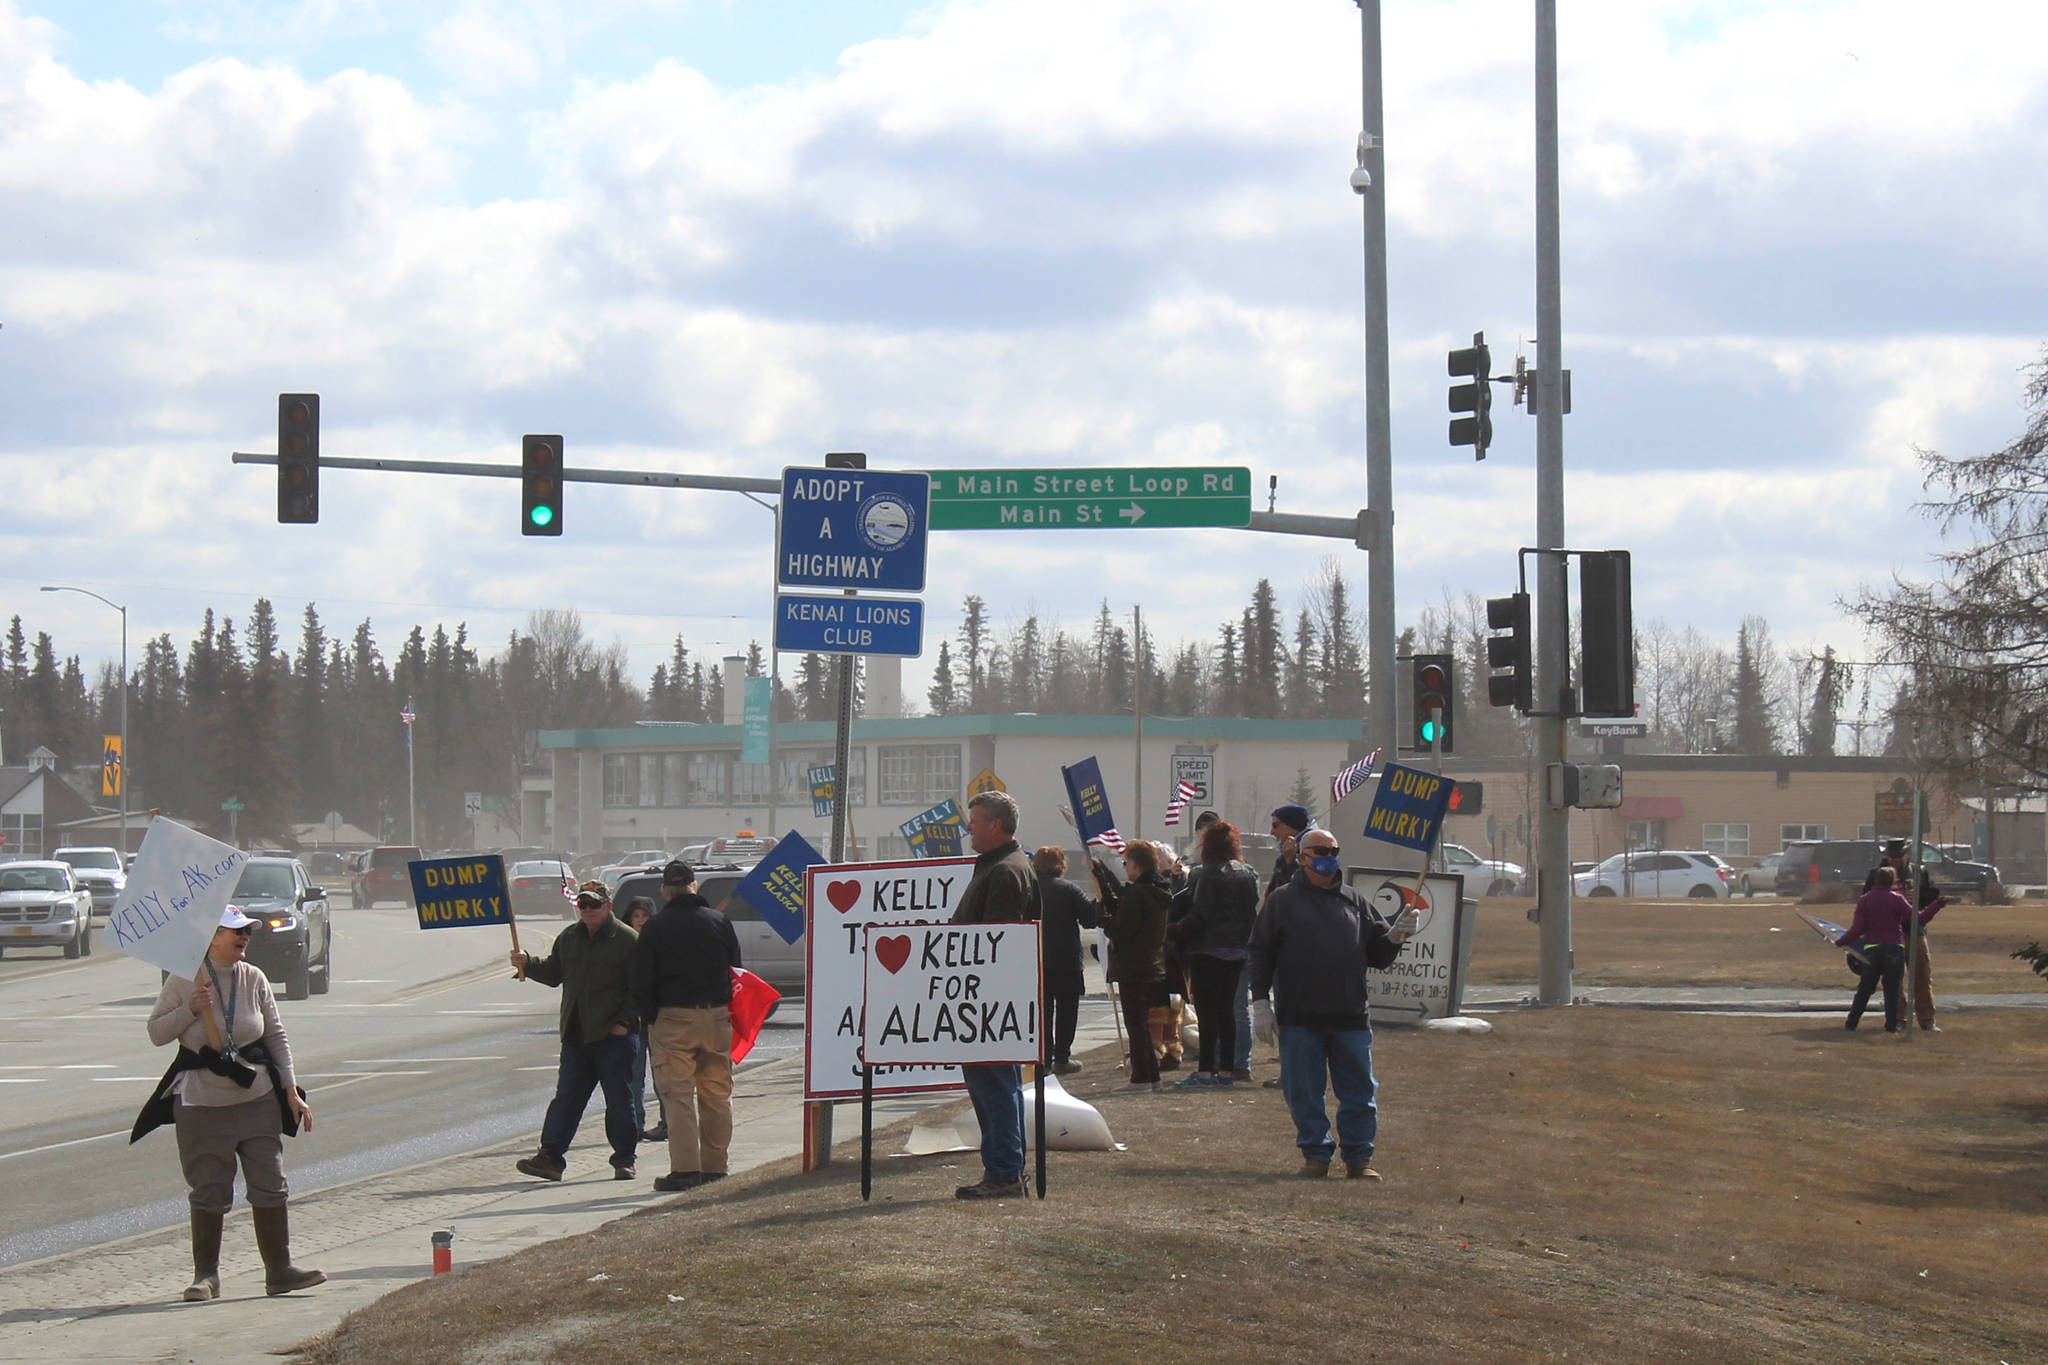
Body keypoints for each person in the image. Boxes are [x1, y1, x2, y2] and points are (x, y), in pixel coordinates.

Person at [142, 905, 323, 1301]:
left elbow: (275, 1036)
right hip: (202, 1105)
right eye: (235, 931)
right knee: (209, 1188)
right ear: (212, 937)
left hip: (256, 1099)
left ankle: (280, 1270)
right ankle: (206, 1276)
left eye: (247, 932)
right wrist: (189, 1009)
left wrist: (291, 1091)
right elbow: (156, 1032)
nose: (244, 938)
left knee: (271, 1184)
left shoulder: (254, 978)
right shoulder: (184, 979)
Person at [1249, 827, 1418, 1180]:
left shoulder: (1354, 901)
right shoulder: (1282, 901)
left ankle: (1359, 1159)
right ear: (1304, 857)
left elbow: (1377, 954)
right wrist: (1261, 1003)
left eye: (1334, 849)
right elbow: (1261, 953)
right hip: (1300, 1016)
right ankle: (1316, 1156)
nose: (1329, 856)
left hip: (1350, 1016)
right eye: (1321, 850)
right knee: (1304, 1092)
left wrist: (1396, 935)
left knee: (1359, 1091)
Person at [510, 881, 641, 1182]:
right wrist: (528, 964)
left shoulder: (627, 939)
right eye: (583, 905)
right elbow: (555, 972)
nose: (588, 910)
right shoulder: (569, 937)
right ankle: (550, 1159)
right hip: (576, 1035)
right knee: (566, 1099)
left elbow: (641, 987)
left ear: (608, 906)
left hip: (614, 1038)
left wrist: (624, 1023)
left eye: (594, 904)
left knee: (620, 1101)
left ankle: (624, 1159)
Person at [632, 860, 743, 1192]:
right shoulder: (719, 922)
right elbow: (736, 970)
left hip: (673, 1019)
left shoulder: (655, 928)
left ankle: (685, 1169)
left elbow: (641, 981)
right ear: (694, 887)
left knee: (678, 1096)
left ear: (666, 892)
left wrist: (651, 1017)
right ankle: (714, 1166)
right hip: (716, 1015)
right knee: (717, 1094)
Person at [949, 790, 1039, 1200]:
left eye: (976, 819)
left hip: (990, 1002)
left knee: (995, 1086)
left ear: (996, 825)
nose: (969, 826)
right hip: (987, 1001)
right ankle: (1004, 1168)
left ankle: (1004, 1171)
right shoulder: (997, 866)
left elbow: (992, 944)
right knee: (995, 1084)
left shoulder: (1005, 871)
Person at [1171, 820, 1261, 1088]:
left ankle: (1206, 1071)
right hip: (1237, 950)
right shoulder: (1248, 874)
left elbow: (1200, 915)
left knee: (1207, 1012)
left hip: (1207, 949)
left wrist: (1172, 930)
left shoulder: (1204, 874)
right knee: (1227, 1012)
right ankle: (1228, 1071)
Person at [1096, 838, 1170, 1094]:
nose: (1125, 867)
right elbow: (1119, 899)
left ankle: (1141, 1078)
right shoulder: (1155, 889)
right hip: (1150, 963)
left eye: (1127, 863)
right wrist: (1101, 874)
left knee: (1136, 1025)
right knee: (1140, 1024)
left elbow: (1121, 928)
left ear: (1136, 865)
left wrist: (1102, 919)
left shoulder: (1139, 893)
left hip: (1134, 964)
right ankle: (1152, 1075)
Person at [1862, 840, 1948, 1031]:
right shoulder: (1875, 875)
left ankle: (1927, 1019)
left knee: (1922, 975)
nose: (1894, 861)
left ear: (1905, 855)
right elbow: (1866, 902)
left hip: (1914, 931)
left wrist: (1919, 898)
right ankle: (1898, 1019)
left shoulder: (1919, 872)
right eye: (1891, 857)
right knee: (1893, 979)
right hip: (1888, 935)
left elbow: (1929, 896)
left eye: (1898, 857)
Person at [1032, 845, 1099, 1075]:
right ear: (1061, 865)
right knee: (1067, 1011)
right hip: (1066, 959)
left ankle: (1044, 1060)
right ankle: (1062, 1057)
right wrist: (1099, 901)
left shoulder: (1027, 890)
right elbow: (1090, 919)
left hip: (1036, 960)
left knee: (1043, 1013)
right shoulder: (1069, 889)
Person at [1838, 865, 1913, 1033]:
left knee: (1865, 989)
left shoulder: (1865, 899)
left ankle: (1851, 1023)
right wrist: (1936, 906)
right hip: (1895, 948)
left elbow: (1857, 929)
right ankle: (1891, 1026)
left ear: (1875, 879)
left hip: (1873, 950)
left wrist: (1841, 941)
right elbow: (1918, 918)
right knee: (1892, 990)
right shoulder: (1898, 899)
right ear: (1893, 881)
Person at [622, 896, 667, 1141]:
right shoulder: (622, 942)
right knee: (634, 1076)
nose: (640, 921)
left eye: (645, 916)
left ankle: (667, 1122)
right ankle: (635, 1125)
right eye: (636, 916)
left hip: (657, 1018)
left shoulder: (659, 940)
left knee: (662, 1075)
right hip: (632, 1021)